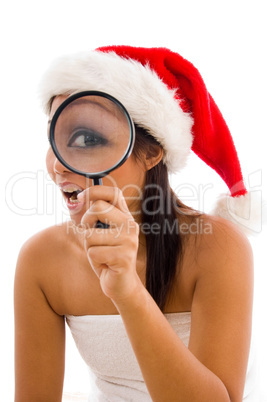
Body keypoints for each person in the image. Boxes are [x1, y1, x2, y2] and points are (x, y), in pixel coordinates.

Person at [14, 46, 258, 401]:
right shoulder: (42, 259)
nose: (58, 165)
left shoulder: (218, 247)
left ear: (151, 151)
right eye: (55, 136)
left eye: (87, 138)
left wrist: (128, 291)